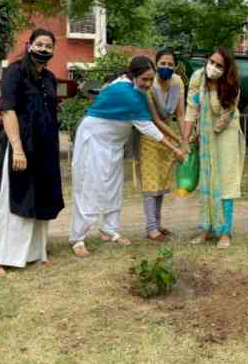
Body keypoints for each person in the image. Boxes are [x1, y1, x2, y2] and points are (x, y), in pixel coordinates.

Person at [69, 56, 185, 256]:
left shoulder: (130, 86)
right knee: (90, 186)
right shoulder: (126, 93)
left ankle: (109, 230)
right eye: (144, 80)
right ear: (133, 75)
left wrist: (179, 142)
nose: (148, 84)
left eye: (151, 79)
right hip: (94, 139)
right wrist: (174, 149)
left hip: (114, 143)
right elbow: (150, 128)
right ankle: (78, 238)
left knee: (114, 186)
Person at [0, 29, 65, 277]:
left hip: (46, 147)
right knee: (14, 198)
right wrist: (17, 148)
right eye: (39, 44)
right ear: (29, 45)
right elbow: (8, 111)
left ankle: (34, 253)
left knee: (41, 196)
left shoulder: (50, 78)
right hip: (21, 145)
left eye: (49, 46)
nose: (43, 49)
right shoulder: (14, 72)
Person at [181, 47, 246, 250]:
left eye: (219, 65)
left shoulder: (231, 85)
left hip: (226, 133)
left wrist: (208, 131)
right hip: (207, 134)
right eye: (212, 62)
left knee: (225, 181)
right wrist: (187, 137)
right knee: (208, 180)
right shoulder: (197, 78)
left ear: (226, 69)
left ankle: (224, 232)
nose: (213, 67)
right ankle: (207, 228)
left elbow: (226, 116)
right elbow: (192, 108)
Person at [137, 48, 187, 242]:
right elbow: (156, 119)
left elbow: (181, 114)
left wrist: (183, 139)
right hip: (151, 135)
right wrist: (176, 140)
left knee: (162, 182)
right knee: (151, 183)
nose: (166, 67)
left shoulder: (177, 82)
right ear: (155, 65)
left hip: (169, 135)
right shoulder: (150, 84)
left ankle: (157, 224)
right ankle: (151, 228)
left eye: (170, 64)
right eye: (162, 64)